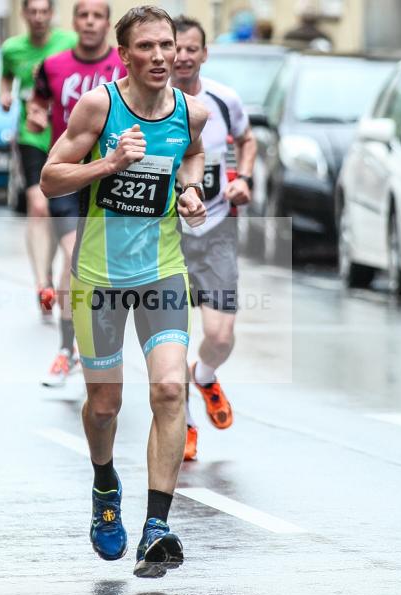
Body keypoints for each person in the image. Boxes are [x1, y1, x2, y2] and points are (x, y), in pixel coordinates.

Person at [40, 6, 208, 579]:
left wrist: (189, 191)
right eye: (148, 48)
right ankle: (105, 482)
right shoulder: (100, 106)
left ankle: (156, 527)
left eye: (168, 45)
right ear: (125, 55)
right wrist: (107, 164)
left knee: (168, 389)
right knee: (106, 407)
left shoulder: (191, 112)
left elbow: (191, 155)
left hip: (162, 269)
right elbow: (50, 175)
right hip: (100, 278)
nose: (162, 57)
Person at [171, 16, 257, 461]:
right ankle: (182, 426)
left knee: (220, 336)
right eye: (176, 48)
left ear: (204, 54)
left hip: (217, 228)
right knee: (171, 338)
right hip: (166, 233)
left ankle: (204, 376)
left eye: (191, 49)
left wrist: (243, 178)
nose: (183, 56)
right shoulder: (148, 101)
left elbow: (247, 140)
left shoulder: (224, 99)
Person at [28, 0, 125, 387]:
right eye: (82, 16)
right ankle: (68, 349)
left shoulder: (123, 66)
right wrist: (35, 115)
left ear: (107, 23)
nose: (89, 22)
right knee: (73, 254)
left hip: (115, 177)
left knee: (102, 271)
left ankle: (94, 343)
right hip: (70, 175)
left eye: (97, 16)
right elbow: (37, 102)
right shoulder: (53, 66)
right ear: (75, 22)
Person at [0, 0, 77, 320]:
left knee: (63, 211)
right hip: (32, 135)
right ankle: (43, 282)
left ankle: (57, 267)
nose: (39, 17)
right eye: (33, 12)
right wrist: (5, 94)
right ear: (25, 15)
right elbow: (6, 77)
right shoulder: (12, 48)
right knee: (38, 205)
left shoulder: (69, 43)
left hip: (67, 134)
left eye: (44, 12)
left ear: (52, 14)